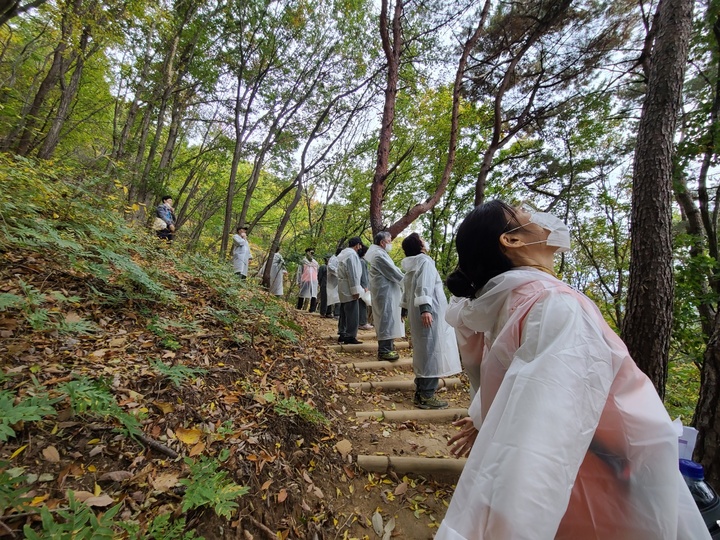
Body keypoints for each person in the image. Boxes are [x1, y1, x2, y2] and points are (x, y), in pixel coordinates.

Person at [437, 200, 710, 539]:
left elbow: (517, 388)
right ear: (512, 240)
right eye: (524, 213)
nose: (537, 214)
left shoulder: (514, 301)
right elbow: (539, 441)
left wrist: (485, 421)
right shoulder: (554, 304)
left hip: (586, 474)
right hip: (597, 482)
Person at [400, 232, 461, 409]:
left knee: (424, 350)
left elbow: (407, 290)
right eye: (422, 239)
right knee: (431, 351)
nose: (425, 241)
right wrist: (426, 309)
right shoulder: (425, 262)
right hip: (429, 314)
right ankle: (427, 395)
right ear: (418, 245)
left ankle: (421, 392)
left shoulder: (413, 265)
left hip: (419, 313)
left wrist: (405, 308)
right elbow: (423, 286)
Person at [364, 231, 404, 361]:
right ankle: (384, 350)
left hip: (387, 292)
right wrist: (409, 281)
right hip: (384, 293)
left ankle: (389, 346)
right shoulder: (378, 256)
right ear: (382, 242)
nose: (390, 244)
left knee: (389, 319)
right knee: (385, 319)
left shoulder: (381, 254)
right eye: (389, 241)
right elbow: (394, 272)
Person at [336, 237, 364, 344]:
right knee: (352, 312)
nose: (360, 248)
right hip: (349, 286)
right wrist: (355, 290)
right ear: (357, 245)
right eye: (360, 245)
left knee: (344, 311)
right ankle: (350, 335)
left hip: (342, 285)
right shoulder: (351, 255)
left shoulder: (343, 254)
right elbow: (353, 273)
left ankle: (342, 333)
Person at [296, 248, 319, 312]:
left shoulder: (315, 263)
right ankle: (299, 307)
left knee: (313, 294)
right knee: (302, 293)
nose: (311, 254)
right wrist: (298, 281)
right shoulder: (303, 261)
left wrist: (318, 281)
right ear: (307, 252)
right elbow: (299, 272)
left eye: (312, 253)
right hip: (305, 279)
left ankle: (312, 309)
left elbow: (318, 271)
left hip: (314, 280)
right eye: (310, 252)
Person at [357, 245, 373, 331]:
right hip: (363, 287)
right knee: (362, 304)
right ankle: (362, 323)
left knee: (360, 304)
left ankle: (361, 322)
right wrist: (365, 287)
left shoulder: (358, 261)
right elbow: (363, 276)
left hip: (359, 286)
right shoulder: (362, 262)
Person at [326, 248, 341, 318]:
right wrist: (337, 271)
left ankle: (336, 313)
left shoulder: (338, 259)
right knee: (331, 297)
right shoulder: (333, 259)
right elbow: (330, 267)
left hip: (337, 281)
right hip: (332, 280)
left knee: (337, 297)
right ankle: (329, 312)